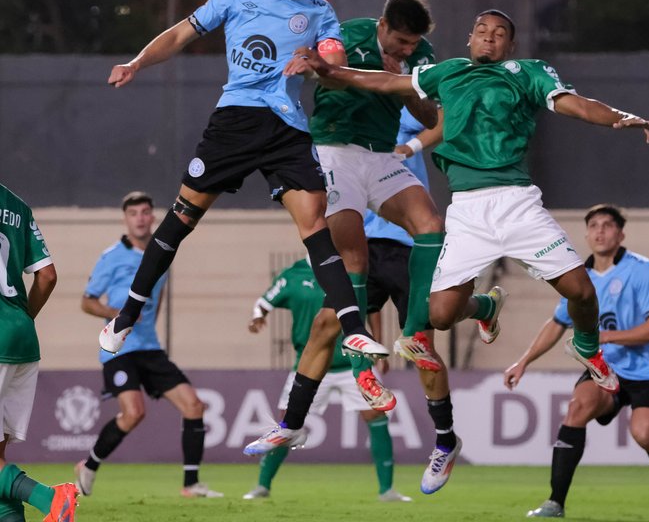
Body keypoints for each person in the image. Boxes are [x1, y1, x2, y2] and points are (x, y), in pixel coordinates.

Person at [98, 0, 388, 451]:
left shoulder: (319, 11)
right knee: (182, 217)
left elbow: (335, 57)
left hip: (286, 129)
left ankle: (354, 327)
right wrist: (139, 60)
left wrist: (317, 63)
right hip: (235, 121)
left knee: (314, 223)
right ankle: (129, 313)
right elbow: (182, 33)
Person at [289, 9, 649, 395]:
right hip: (466, 210)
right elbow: (386, 82)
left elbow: (576, 104)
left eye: (499, 33)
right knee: (442, 315)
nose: (489, 37)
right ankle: (484, 307)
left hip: (516, 204)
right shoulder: (447, 72)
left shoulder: (528, 72)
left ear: (510, 45)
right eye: (481, 30)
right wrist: (329, 70)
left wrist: (618, 116)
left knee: (582, 291)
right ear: (470, 38)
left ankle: (587, 348)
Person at [247, 0, 486, 495]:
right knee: (342, 277)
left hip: (380, 158)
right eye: (398, 43)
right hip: (333, 152)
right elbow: (321, 67)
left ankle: (416, 341)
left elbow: (427, 115)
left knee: (431, 224)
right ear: (381, 26)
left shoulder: (419, 57)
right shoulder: (346, 33)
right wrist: (311, 63)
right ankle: (326, 398)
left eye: (412, 46)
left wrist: (404, 84)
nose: (404, 52)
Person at [504, 204, 649, 522]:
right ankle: (555, 503)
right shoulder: (580, 276)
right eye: (594, 225)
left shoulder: (642, 269)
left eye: (607, 225)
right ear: (587, 234)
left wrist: (605, 337)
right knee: (577, 408)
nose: (600, 230)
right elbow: (557, 322)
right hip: (606, 368)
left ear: (620, 233)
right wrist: (523, 362)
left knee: (645, 434)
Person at [75, 191, 221, 499]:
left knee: (194, 406)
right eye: (134, 213)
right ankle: (88, 466)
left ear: (153, 216)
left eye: (145, 212)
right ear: (126, 219)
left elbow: (159, 295)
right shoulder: (112, 256)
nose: (141, 218)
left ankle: (191, 485)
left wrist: (151, 330)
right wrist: (116, 314)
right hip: (119, 349)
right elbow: (86, 302)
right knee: (133, 413)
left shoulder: (162, 253)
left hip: (150, 348)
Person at [243, 257, 411, 503]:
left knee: (376, 417)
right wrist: (257, 316)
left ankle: (387, 490)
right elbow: (264, 302)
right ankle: (262, 485)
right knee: (284, 424)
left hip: (350, 363)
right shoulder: (293, 275)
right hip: (308, 365)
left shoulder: (349, 269)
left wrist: (377, 342)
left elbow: (372, 306)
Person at [0, 183, 79, 522]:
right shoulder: (17, 205)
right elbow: (46, 276)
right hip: (22, 335)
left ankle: (51, 498)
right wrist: (22, 319)